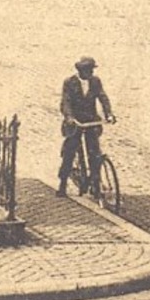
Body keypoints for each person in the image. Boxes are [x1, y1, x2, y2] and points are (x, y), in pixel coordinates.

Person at [57, 56, 116, 197]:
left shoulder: (95, 81)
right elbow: (65, 102)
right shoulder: (69, 82)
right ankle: (63, 183)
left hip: (91, 121)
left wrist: (109, 114)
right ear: (81, 70)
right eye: (88, 70)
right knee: (69, 151)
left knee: (94, 152)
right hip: (75, 122)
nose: (91, 73)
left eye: (92, 70)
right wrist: (69, 117)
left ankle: (95, 184)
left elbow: (103, 97)